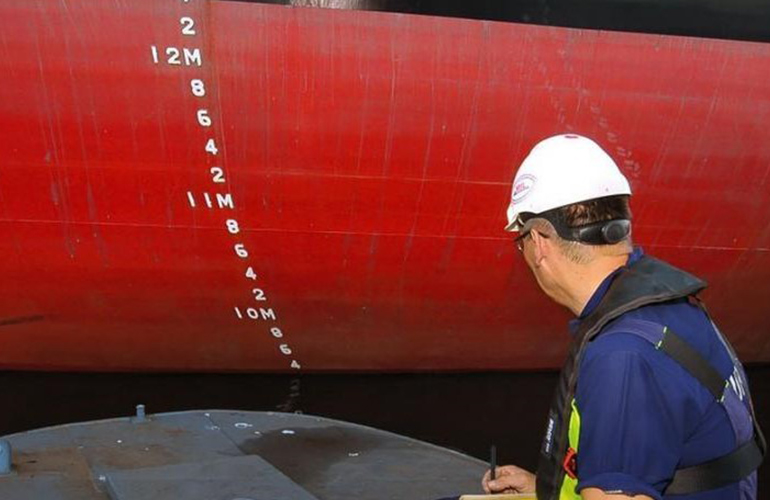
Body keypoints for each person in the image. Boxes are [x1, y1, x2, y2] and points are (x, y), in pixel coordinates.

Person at [482, 134, 765, 500]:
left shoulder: (621, 356)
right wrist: (548, 487)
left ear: (538, 243)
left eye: (520, 242)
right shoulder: (670, 305)